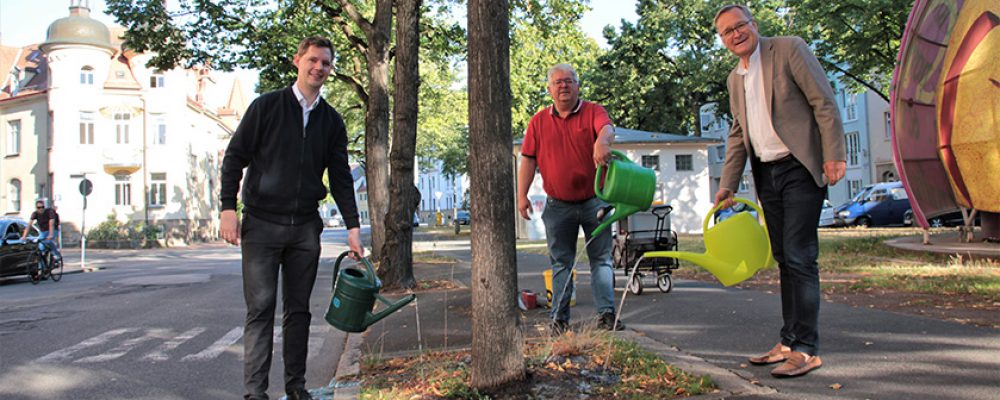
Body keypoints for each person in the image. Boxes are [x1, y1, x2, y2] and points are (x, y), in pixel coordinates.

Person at [219, 36, 363, 400]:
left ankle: (296, 388)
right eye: (313, 60)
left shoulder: (331, 121)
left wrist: (352, 227)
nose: (318, 68)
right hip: (261, 225)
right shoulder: (266, 107)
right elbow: (235, 157)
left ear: (330, 69)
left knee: (298, 312)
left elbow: (341, 177)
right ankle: (256, 392)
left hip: (304, 229)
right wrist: (226, 209)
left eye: (326, 63)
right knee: (261, 310)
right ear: (298, 61)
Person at [713, 5, 846, 378]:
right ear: (722, 40)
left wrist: (834, 155)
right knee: (785, 257)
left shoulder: (788, 49)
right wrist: (727, 184)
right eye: (727, 31)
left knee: (801, 256)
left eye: (740, 26)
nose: (736, 34)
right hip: (766, 173)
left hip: (800, 166)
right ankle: (789, 341)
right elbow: (739, 133)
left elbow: (824, 101)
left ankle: (806, 349)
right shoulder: (734, 79)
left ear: (754, 25)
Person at [517, 63, 623, 333]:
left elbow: (607, 128)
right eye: (558, 82)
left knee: (601, 260)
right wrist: (522, 195)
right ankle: (559, 319)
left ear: (578, 85)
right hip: (558, 205)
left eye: (569, 81)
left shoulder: (593, 111)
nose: (563, 86)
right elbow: (528, 160)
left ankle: (607, 316)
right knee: (561, 263)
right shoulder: (538, 121)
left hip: (595, 201)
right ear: (550, 89)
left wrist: (602, 141)